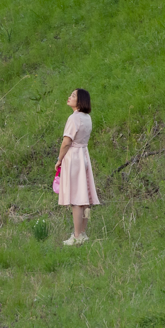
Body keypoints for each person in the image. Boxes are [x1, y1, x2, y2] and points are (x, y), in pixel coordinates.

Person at [55, 87, 99, 244]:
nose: (69, 97)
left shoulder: (73, 118)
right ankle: (83, 233)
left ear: (79, 101)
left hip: (74, 157)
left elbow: (67, 142)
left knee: (76, 198)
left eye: (73, 96)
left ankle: (76, 235)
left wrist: (59, 159)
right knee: (85, 199)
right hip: (84, 155)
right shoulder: (87, 118)